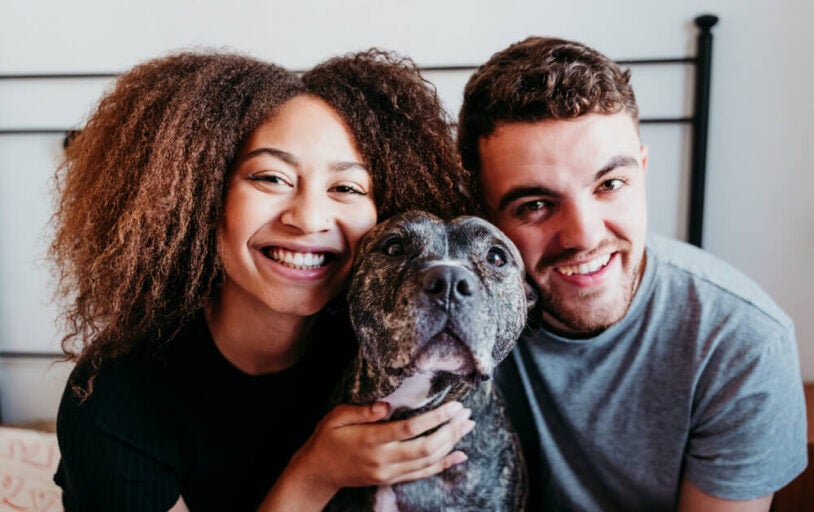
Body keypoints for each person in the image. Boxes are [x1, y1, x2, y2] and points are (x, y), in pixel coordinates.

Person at [51, 49, 473, 512]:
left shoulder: (388, 355)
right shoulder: (113, 399)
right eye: (272, 178)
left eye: (346, 188)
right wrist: (316, 474)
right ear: (201, 197)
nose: (309, 219)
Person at [457, 36, 808, 511]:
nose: (583, 236)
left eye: (610, 184)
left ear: (642, 172)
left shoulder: (740, 343)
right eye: (536, 204)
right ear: (483, 216)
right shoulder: (447, 312)